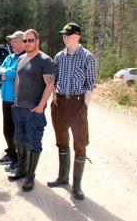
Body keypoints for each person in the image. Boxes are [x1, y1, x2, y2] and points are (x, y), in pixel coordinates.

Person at [47, 22, 97, 200]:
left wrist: (84, 106)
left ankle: (77, 186)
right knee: (61, 141)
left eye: (68, 34)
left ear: (77, 36)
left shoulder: (88, 57)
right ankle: (62, 177)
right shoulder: (59, 56)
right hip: (59, 103)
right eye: (63, 35)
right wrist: (54, 99)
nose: (64, 37)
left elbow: (90, 83)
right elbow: (55, 80)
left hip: (77, 104)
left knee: (80, 143)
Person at [8, 29, 55, 192]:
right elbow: (18, 79)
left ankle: (30, 176)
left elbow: (50, 85)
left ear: (37, 41)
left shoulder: (45, 60)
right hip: (19, 108)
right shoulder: (21, 58)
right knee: (19, 141)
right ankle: (21, 169)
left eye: (30, 40)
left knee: (34, 143)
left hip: (34, 111)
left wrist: (41, 106)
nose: (27, 43)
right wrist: (15, 100)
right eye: (25, 41)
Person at [0, 31, 25, 173]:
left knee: (16, 131)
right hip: (6, 98)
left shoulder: (24, 57)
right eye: (11, 41)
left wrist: (5, 73)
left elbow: (13, 73)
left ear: (22, 41)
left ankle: (18, 160)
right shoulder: (10, 57)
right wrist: (3, 73)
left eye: (15, 41)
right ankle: (11, 154)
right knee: (7, 129)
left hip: (17, 100)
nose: (12, 43)